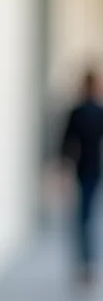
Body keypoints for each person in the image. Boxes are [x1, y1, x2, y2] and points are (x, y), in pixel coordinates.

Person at [60, 69, 103, 284]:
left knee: (83, 219)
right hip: (92, 170)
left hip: (84, 171)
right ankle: (87, 264)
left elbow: (66, 145)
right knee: (86, 219)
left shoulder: (78, 112)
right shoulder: (95, 111)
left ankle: (86, 265)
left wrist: (63, 171)